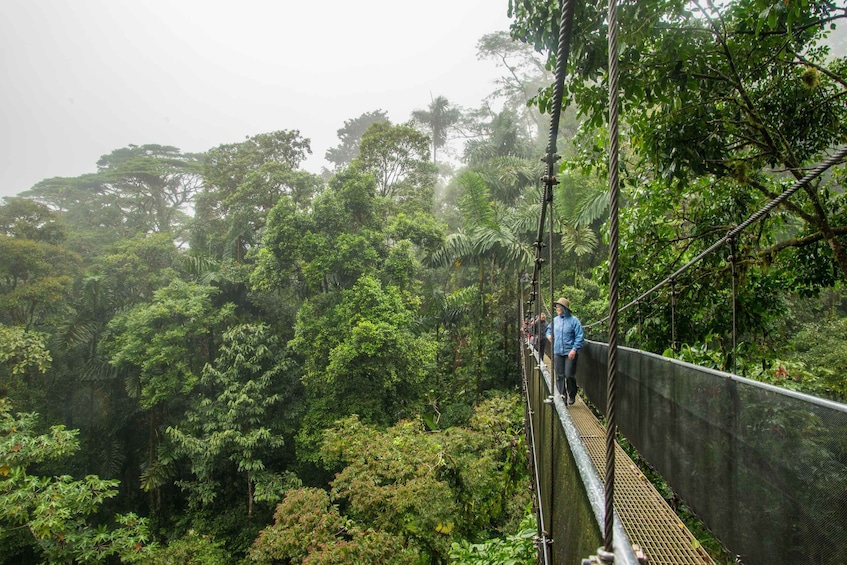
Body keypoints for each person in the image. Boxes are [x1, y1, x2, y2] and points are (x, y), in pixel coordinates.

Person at [545, 297, 584, 405]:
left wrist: (574, 349)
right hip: (557, 351)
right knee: (559, 375)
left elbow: (580, 336)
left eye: (559, 306)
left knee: (569, 375)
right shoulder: (555, 320)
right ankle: (562, 397)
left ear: (564, 308)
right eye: (556, 306)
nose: (557, 308)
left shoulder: (574, 321)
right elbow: (548, 330)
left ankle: (572, 394)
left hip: (570, 352)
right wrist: (548, 335)